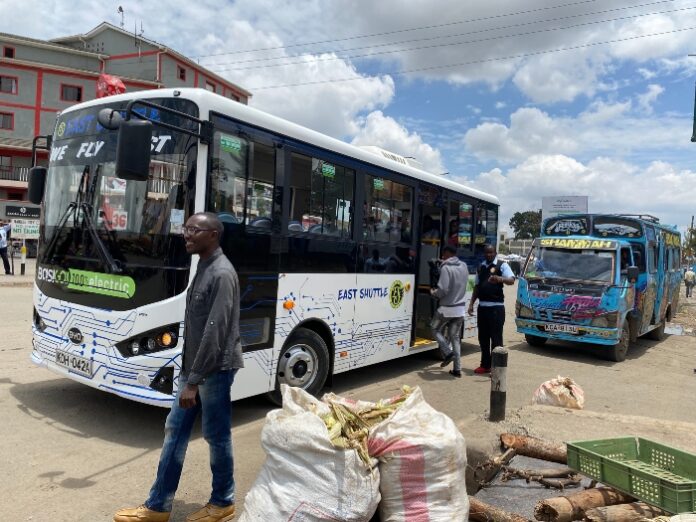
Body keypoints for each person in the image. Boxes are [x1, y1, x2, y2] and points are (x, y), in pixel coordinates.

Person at [114, 212, 243, 522]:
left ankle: (222, 501)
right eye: (185, 229)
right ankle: (158, 506)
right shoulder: (203, 267)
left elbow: (215, 331)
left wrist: (193, 381)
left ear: (213, 235)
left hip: (214, 370)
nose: (186, 235)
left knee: (216, 435)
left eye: (194, 230)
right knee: (175, 431)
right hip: (196, 368)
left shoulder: (222, 273)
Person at [468, 244, 515, 374]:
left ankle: (497, 369)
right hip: (482, 308)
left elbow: (511, 280)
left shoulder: (502, 265)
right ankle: (485, 365)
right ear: (484, 253)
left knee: (496, 340)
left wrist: (500, 278)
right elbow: (477, 287)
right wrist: (471, 303)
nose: (489, 255)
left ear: (495, 252)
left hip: (496, 308)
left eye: (491, 252)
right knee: (483, 338)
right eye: (487, 253)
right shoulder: (481, 266)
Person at [430, 245, 470, 378]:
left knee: (434, 328)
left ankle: (447, 352)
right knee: (455, 338)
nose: (442, 257)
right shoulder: (463, 265)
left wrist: (433, 292)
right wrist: (443, 263)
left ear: (447, 253)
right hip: (460, 310)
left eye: (443, 255)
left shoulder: (446, 269)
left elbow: (443, 290)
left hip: (446, 310)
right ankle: (457, 370)